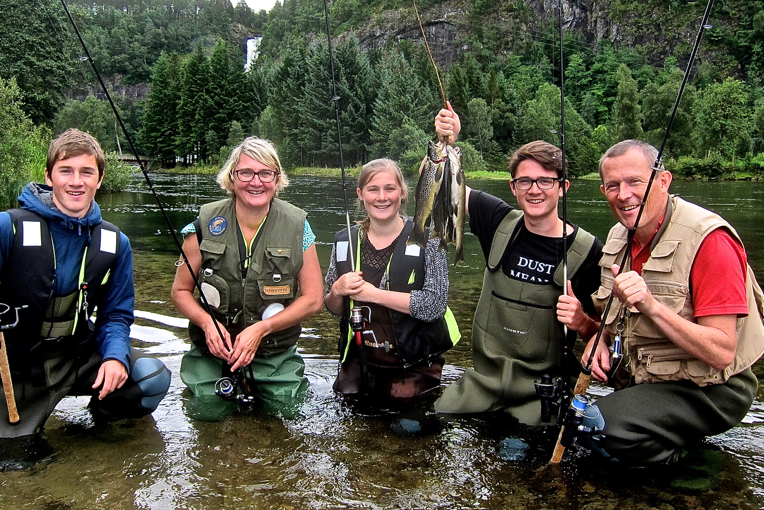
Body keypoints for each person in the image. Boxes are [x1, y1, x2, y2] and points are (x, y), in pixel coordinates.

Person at [0, 129, 171, 439]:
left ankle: (95, 425)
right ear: (49, 177)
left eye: (86, 172)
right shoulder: (6, 226)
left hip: (73, 359)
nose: (76, 181)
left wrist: (116, 356)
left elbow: (116, 315)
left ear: (99, 179)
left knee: (151, 377)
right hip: (10, 369)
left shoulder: (116, 243)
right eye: (66, 170)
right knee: (13, 462)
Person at [580, 139, 764, 465]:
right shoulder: (617, 236)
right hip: (648, 373)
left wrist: (652, 306)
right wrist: (600, 337)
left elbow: (722, 352)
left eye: (635, 181)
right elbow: (617, 318)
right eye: (613, 185)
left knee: (596, 428)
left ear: (663, 181)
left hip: (712, 388)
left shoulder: (711, 242)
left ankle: (692, 468)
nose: (623, 194)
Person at [431, 106, 604, 426]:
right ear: (513, 187)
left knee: (520, 454)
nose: (534, 189)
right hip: (483, 384)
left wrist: (581, 322)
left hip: (541, 395)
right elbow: (441, 185)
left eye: (545, 181)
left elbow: (602, 337)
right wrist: (445, 143)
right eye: (524, 181)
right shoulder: (495, 218)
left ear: (563, 187)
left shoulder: (590, 251)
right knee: (432, 423)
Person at [173, 136, 323, 418]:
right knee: (205, 411)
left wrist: (260, 330)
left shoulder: (299, 227)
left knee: (288, 410)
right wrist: (208, 324)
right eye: (246, 173)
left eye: (266, 173)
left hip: (272, 353)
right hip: (212, 353)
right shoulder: (202, 225)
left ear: (277, 179)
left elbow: (314, 299)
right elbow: (180, 291)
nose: (256, 182)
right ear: (232, 178)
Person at [324, 159, 459, 404]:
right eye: (373, 189)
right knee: (347, 407)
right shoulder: (344, 241)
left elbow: (434, 305)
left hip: (414, 364)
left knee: (405, 422)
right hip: (361, 359)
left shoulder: (430, 239)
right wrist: (336, 290)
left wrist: (372, 294)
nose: (382, 197)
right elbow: (333, 309)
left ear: (403, 193)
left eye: (390, 189)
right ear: (360, 194)